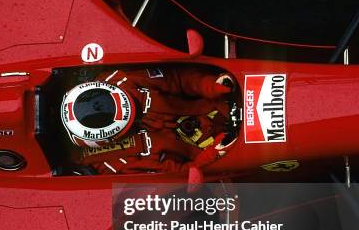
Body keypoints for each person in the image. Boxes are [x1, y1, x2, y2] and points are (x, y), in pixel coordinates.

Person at [60, 65, 235, 174]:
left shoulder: (121, 81)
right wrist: (214, 154)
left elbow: (176, 78)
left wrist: (210, 85)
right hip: (221, 148)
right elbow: (181, 174)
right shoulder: (119, 163)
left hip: (219, 98)